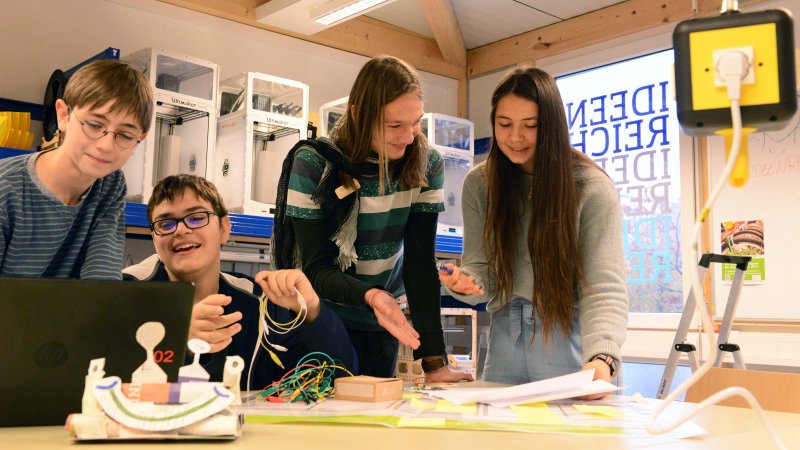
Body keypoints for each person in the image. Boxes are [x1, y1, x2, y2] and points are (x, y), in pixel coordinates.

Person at [272, 55, 471, 382]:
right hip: (320, 319)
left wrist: (435, 363)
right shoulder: (314, 162)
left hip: (383, 322)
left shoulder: (425, 162)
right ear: (359, 115)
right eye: (394, 125)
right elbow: (315, 267)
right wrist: (371, 295)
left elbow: (419, 263)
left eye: (415, 122)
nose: (408, 137)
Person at [439, 67, 628, 397]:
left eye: (530, 126)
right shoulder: (480, 184)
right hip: (503, 340)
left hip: (567, 338)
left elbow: (604, 287)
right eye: (504, 124)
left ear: (552, 126)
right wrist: (465, 285)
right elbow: (483, 272)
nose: (515, 137)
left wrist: (603, 358)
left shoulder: (592, 188)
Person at [123, 174, 356, 390]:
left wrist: (312, 311)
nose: (181, 230)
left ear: (224, 228)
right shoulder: (123, 293)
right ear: (154, 237)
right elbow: (97, 379)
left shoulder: (259, 303)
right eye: (165, 224)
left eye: (196, 218)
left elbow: (338, 378)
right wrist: (173, 337)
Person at [0, 59, 152, 279]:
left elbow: (101, 282)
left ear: (140, 139)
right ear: (63, 115)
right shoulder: (6, 187)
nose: (105, 145)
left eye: (126, 135)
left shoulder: (111, 184)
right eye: (93, 125)